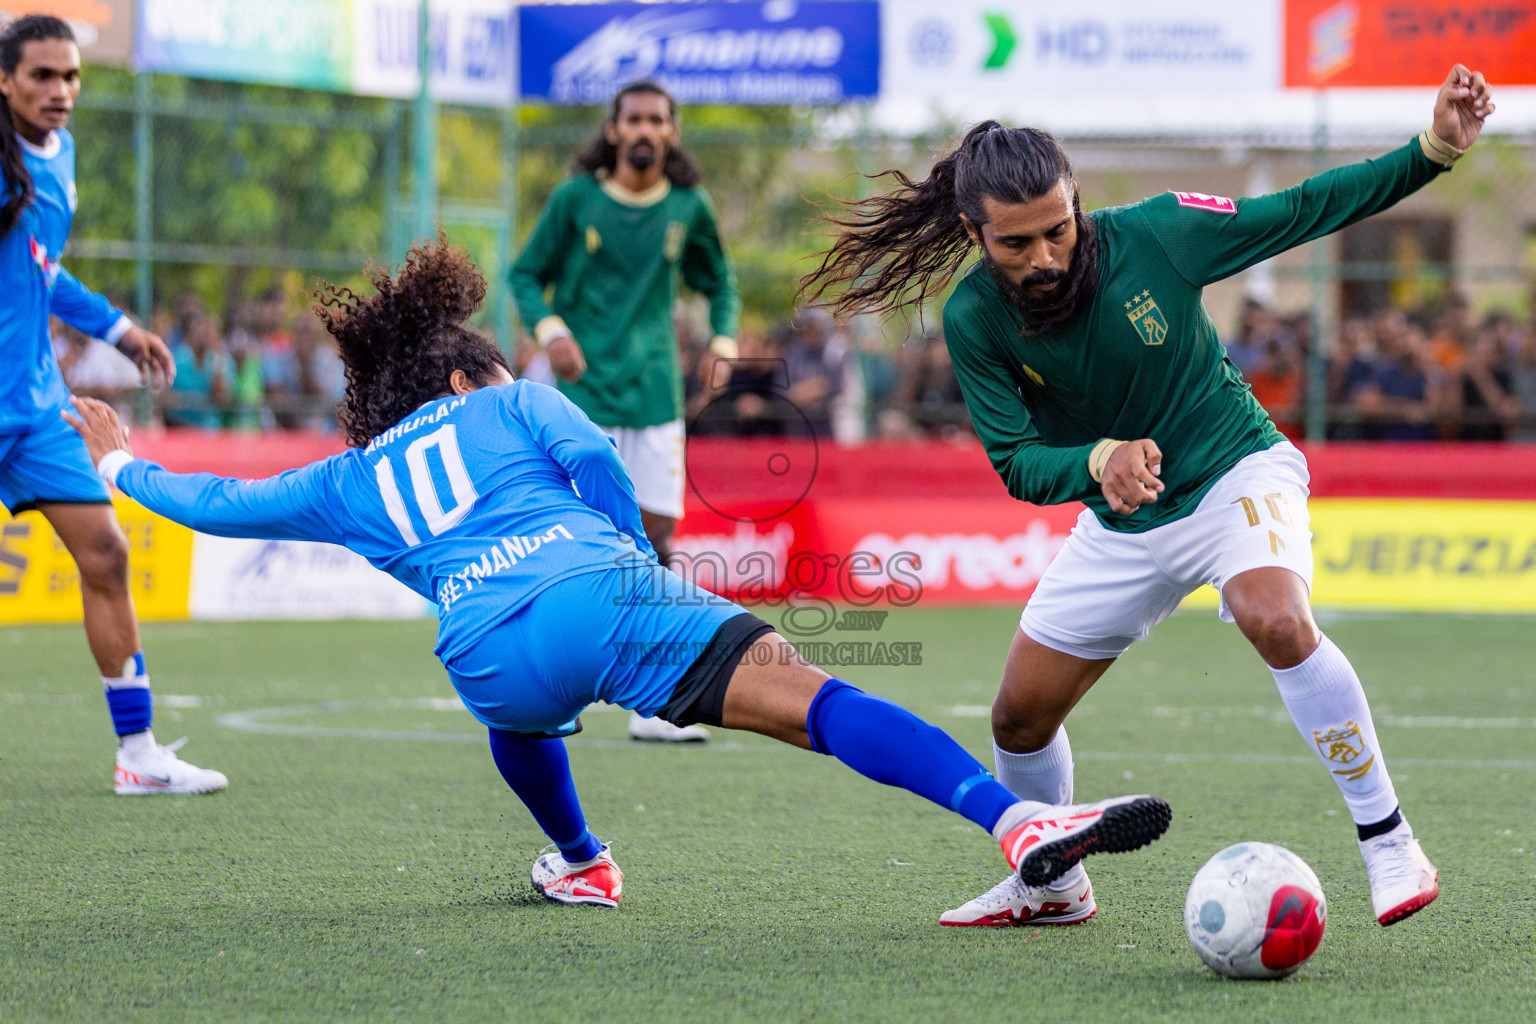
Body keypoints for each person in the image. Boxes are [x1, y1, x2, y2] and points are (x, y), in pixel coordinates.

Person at [65, 238, 1171, 914]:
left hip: (486, 656)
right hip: (608, 596)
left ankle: (583, 859)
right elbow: (595, 459)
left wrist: (118, 457)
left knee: (520, 720)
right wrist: (632, 559)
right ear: (462, 370)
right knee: (827, 704)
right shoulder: (510, 394)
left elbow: (211, 503)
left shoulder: (349, 475)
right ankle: (1013, 824)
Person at [803, 64, 1494, 929]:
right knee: (1018, 718)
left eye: (1058, 229)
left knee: (1273, 617)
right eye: (1016, 244)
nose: (1044, 256)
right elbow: (1018, 462)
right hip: (1123, 517)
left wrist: (1433, 150)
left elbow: (1308, 207)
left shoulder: (1160, 234)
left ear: (1078, 201)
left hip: (1235, 468)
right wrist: (1098, 463)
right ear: (975, 232)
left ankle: (1389, 841)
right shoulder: (975, 317)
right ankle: (1053, 886)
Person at [0, 15, 225, 795]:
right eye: (41, 76)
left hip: (33, 411)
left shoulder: (57, 157)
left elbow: (44, 270)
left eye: (70, 77)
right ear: (5, 80)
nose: (60, 91)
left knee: (108, 554)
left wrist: (122, 330)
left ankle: (140, 757)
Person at [509, 80, 741, 742]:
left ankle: (652, 703)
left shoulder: (688, 208)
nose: (644, 129)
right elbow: (525, 273)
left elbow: (720, 280)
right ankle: (552, 687)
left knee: (656, 540)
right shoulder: (575, 200)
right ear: (613, 130)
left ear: (672, 132)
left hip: (655, 395)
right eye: (633, 118)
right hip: (581, 397)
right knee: (571, 537)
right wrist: (552, 330)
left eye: (657, 120)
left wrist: (723, 341)